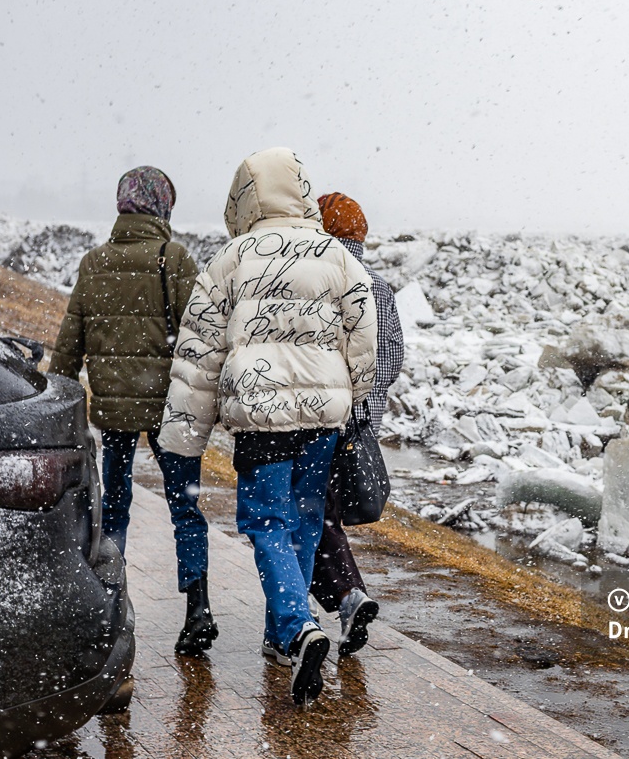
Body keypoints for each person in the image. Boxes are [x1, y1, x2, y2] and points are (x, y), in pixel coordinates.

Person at [158, 147, 377, 705]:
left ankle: (295, 626)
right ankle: (288, 634)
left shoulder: (228, 262)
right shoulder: (337, 257)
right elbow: (363, 336)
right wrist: (354, 401)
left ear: (245, 196)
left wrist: (184, 438)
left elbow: (198, 357)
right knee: (304, 519)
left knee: (264, 522)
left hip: (262, 416)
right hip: (323, 417)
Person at [48, 166, 217, 656]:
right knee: (185, 507)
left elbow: (70, 340)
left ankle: (111, 608)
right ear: (163, 207)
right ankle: (199, 607)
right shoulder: (175, 259)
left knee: (115, 509)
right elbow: (199, 336)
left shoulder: (94, 262)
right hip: (170, 409)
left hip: (116, 410)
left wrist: (58, 393)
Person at [303, 192, 403, 657]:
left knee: (312, 516)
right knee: (328, 515)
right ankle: (333, 605)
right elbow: (394, 357)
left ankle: (343, 599)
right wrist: (369, 404)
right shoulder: (380, 285)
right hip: (365, 424)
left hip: (327, 417)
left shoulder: (323, 281)